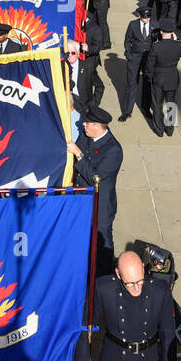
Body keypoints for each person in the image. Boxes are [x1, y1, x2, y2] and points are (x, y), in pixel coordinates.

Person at [73, 249, 176, 361]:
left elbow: (168, 332)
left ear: (143, 268)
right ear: (118, 274)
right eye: (130, 283)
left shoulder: (160, 291)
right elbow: (85, 321)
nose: (136, 288)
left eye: (140, 281)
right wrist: (82, 357)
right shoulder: (103, 288)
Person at [66, 106, 122, 276]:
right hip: (80, 199)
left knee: (101, 243)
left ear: (98, 126)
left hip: (100, 205)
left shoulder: (113, 150)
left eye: (87, 123)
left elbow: (95, 177)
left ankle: (104, 276)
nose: (83, 125)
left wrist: (78, 154)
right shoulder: (87, 135)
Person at [146, 19, 181, 137]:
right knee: (171, 104)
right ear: (173, 32)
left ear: (161, 32)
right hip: (172, 78)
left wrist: (150, 77)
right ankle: (169, 129)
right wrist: (177, 40)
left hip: (158, 79)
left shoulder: (156, 46)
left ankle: (159, 130)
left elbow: (149, 65)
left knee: (157, 105)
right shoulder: (178, 45)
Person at [119, 5, 154, 122]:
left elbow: (156, 42)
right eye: (145, 17)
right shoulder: (132, 25)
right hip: (135, 57)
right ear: (139, 15)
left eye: (148, 17)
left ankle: (145, 108)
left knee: (147, 83)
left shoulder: (154, 26)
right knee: (131, 84)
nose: (147, 19)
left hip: (148, 59)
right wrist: (128, 55)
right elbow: (127, 40)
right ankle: (127, 111)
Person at [62, 39, 105, 118]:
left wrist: (93, 105)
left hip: (84, 109)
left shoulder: (88, 66)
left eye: (73, 53)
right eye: (67, 53)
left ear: (78, 54)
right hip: (65, 108)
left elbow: (100, 86)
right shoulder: (60, 67)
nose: (70, 55)